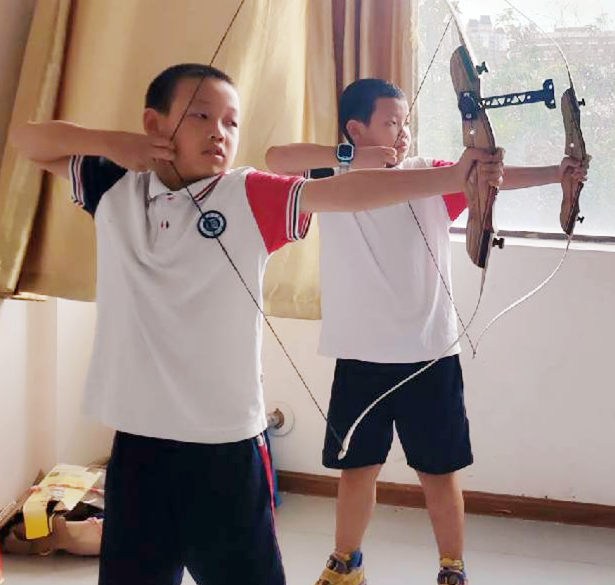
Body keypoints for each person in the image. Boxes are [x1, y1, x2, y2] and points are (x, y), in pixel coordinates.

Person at [10, 63, 504, 585]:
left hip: (227, 451)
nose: (219, 132)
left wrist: (455, 177)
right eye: (201, 116)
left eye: (231, 122)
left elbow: (347, 192)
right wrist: (113, 144)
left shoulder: (247, 194)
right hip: (139, 446)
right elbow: (26, 140)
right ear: (154, 124)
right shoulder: (115, 188)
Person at [265, 78, 586, 585]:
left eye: (405, 122)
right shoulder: (331, 176)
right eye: (390, 122)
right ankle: (346, 562)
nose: (402, 132)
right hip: (361, 355)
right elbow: (276, 159)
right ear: (356, 129)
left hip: (430, 354)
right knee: (357, 469)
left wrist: (556, 173)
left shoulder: (430, 174)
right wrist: (353, 158)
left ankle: (451, 567)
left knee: (439, 472)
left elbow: (489, 177)